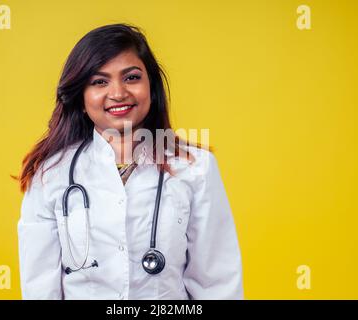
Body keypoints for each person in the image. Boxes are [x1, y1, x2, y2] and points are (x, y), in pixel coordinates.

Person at [15, 23, 243, 300]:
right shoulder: (50, 174)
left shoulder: (196, 167)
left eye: (131, 77)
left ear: (152, 86)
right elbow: (40, 290)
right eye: (99, 82)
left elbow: (218, 285)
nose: (118, 93)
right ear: (81, 96)